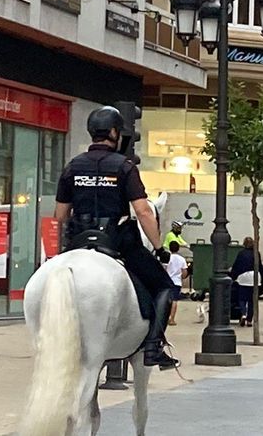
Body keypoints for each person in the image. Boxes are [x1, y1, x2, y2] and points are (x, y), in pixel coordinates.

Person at [55, 105, 179, 369]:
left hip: (78, 240)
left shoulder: (72, 166)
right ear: (114, 133)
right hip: (115, 240)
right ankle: (154, 347)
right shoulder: (123, 167)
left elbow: (61, 214)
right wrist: (159, 248)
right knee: (164, 286)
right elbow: (144, 212)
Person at [230, 237, 256, 325]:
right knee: (252, 300)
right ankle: (249, 320)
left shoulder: (241, 253)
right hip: (254, 278)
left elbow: (236, 266)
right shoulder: (256, 254)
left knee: (242, 298)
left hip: (243, 278)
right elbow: (259, 266)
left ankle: (243, 313)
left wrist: (233, 276)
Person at [163, 241, 188, 326]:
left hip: (167, 281)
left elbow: (164, 269)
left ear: (170, 248)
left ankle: (165, 318)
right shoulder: (182, 259)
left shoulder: (167, 257)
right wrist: (182, 277)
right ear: (178, 248)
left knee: (166, 300)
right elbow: (184, 271)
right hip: (177, 282)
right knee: (174, 300)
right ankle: (172, 319)